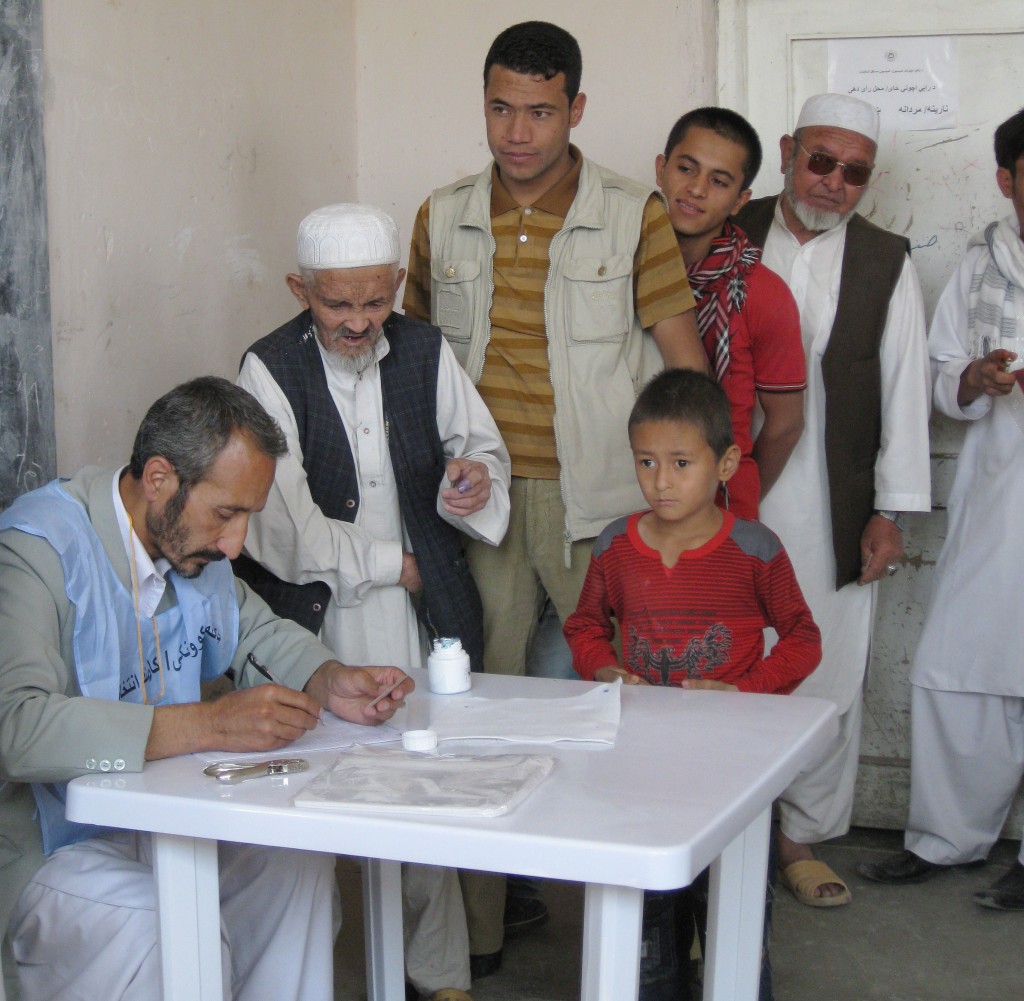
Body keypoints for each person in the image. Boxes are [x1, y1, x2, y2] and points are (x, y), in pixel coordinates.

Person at [401, 21, 702, 966]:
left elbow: (679, 356)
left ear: (576, 109)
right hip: (481, 502)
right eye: (500, 108)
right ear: (482, 105)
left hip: (603, 502)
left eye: (539, 110)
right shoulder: (441, 213)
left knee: (634, 704)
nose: (517, 131)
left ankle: (658, 933)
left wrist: (693, 494)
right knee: (474, 711)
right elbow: (410, 366)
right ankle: (479, 935)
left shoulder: (631, 211)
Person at [0, 376, 414, 1001]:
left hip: (165, 820)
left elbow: (258, 634)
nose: (236, 543)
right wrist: (207, 724)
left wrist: (329, 680)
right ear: (160, 479)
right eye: (226, 514)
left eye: (247, 516)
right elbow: (16, 727)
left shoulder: (190, 549)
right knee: (162, 925)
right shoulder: (38, 552)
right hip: (54, 850)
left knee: (294, 862)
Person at [235, 203, 509, 1001]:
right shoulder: (267, 369)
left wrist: (473, 477)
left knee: (421, 788)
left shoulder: (424, 349)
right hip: (311, 619)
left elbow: (479, 443)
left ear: (396, 285)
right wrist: (400, 562)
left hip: (409, 616)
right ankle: (301, 980)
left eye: (373, 302)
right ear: (299, 289)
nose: (357, 324)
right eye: (335, 305)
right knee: (305, 806)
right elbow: (277, 528)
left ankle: (441, 977)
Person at [564, 368, 821, 1001]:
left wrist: (747, 692)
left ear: (727, 462)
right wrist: (601, 667)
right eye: (646, 462)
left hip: (733, 770)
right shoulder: (616, 546)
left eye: (681, 462)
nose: (661, 481)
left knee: (733, 923)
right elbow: (585, 624)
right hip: (641, 770)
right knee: (650, 932)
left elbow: (802, 638)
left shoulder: (755, 551)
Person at [733, 92, 932, 907]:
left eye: (855, 172)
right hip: (725, 488)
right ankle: (724, 831)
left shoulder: (887, 258)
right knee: (721, 654)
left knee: (825, 664)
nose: (835, 182)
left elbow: (906, 385)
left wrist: (891, 509)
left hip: (832, 496)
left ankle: (799, 835)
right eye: (821, 160)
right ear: (785, 152)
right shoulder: (728, 228)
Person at [857, 108, 1024, 911]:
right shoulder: (981, 264)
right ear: (1007, 180)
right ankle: (946, 839)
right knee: (955, 671)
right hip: (999, 495)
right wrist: (977, 381)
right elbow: (942, 373)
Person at [655, 107, 805, 520]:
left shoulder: (761, 293)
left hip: (721, 510)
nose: (697, 189)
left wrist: (736, 492)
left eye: (719, 181)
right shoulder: (615, 270)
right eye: (686, 168)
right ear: (661, 169)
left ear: (741, 200)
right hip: (623, 492)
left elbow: (786, 424)